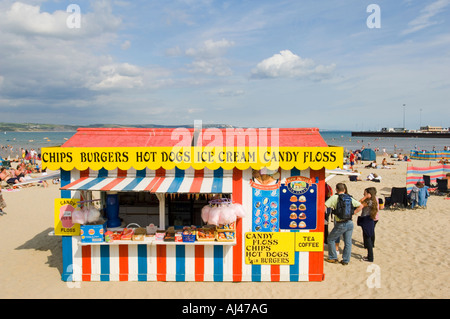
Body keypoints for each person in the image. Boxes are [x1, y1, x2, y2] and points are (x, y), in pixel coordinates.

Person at [325, 183, 363, 265]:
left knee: (330, 239)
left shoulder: (335, 197)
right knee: (348, 242)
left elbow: (325, 206)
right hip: (350, 222)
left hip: (340, 223)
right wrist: (353, 213)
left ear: (336, 189)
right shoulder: (349, 197)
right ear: (344, 190)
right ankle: (346, 260)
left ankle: (333, 257)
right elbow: (361, 206)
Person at [357, 187, 378, 262]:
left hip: (367, 220)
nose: (363, 194)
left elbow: (359, 203)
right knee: (369, 237)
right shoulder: (373, 200)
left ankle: (370, 257)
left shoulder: (369, 201)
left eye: (365, 193)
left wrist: (365, 197)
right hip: (370, 219)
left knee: (368, 239)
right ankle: (370, 256)